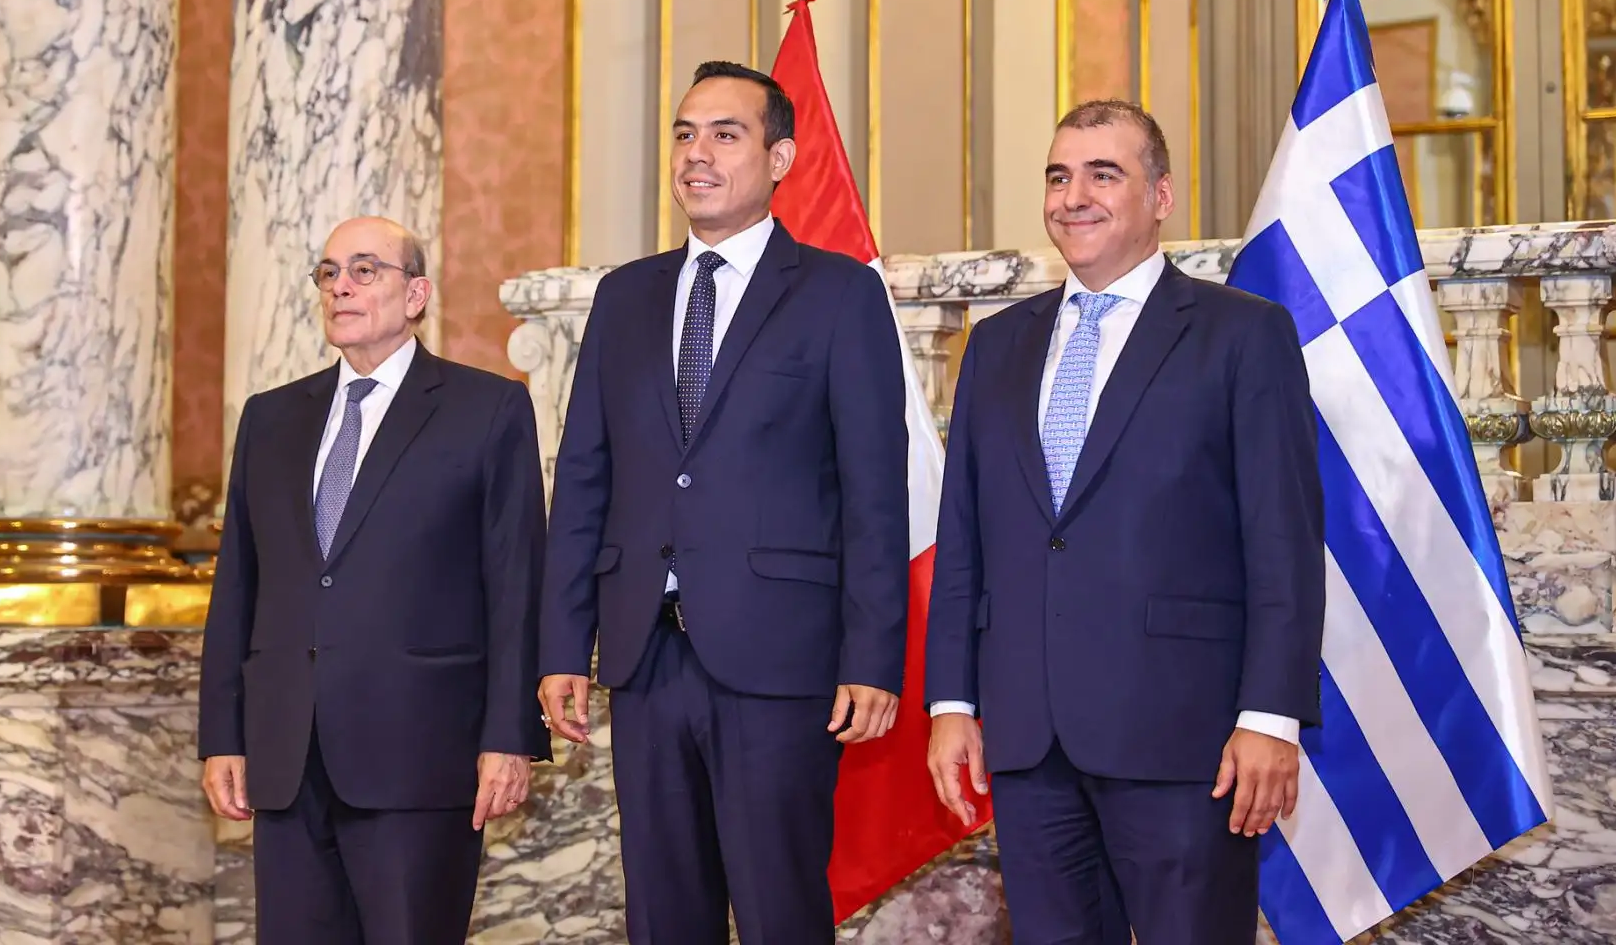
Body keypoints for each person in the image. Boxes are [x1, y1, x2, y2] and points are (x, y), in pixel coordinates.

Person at [924, 100, 1324, 944]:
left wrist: (1269, 717)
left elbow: (1283, 542)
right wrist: (952, 702)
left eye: (1104, 174)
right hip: (1031, 744)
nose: (1075, 195)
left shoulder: (1242, 336)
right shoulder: (996, 347)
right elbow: (965, 542)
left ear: (1162, 195)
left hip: (1187, 743)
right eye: (1059, 176)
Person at [537, 61, 911, 943]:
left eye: (725, 134)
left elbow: (873, 491)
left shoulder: (838, 293)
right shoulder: (624, 297)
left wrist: (873, 657)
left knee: (780, 909)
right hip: (644, 656)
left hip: (782, 662)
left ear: (781, 157)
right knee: (664, 914)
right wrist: (561, 643)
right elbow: (585, 477)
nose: (697, 154)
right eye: (684, 132)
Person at [197, 215, 550, 945]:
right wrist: (222, 735)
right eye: (328, 273)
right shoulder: (270, 419)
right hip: (288, 754)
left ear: (416, 293)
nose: (341, 287)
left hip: (421, 755)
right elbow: (239, 587)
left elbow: (515, 585)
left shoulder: (485, 410)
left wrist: (509, 737)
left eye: (364, 270)